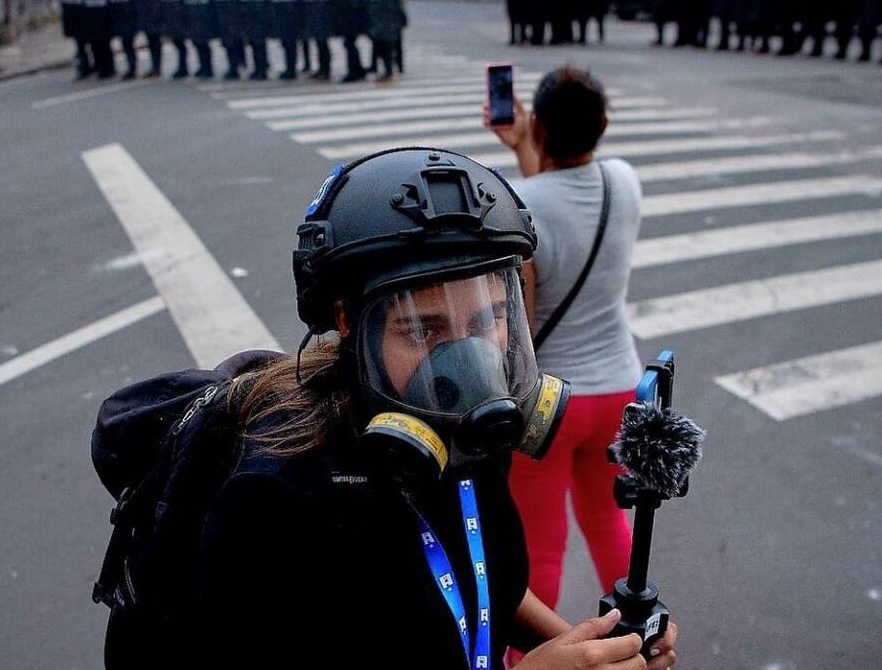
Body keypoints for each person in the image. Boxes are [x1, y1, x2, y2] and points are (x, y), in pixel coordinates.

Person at [93, 147, 680, 670]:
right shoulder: (275, 501)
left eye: (485, 322)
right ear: (350, 321)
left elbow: (481, 580)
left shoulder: (471, 438)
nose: (466, 366)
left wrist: (596, 648)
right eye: (423, 331)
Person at [483, 68, 645, 635]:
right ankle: (637, 633)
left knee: (540, 548)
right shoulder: (624, 181)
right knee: (608, 520)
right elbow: (564, 213)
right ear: (602, 127)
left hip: (552, 406)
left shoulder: (519, 203)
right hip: (619, 392)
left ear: (542, 124)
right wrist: (531, 145)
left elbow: (521, 329)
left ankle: (530, 656)